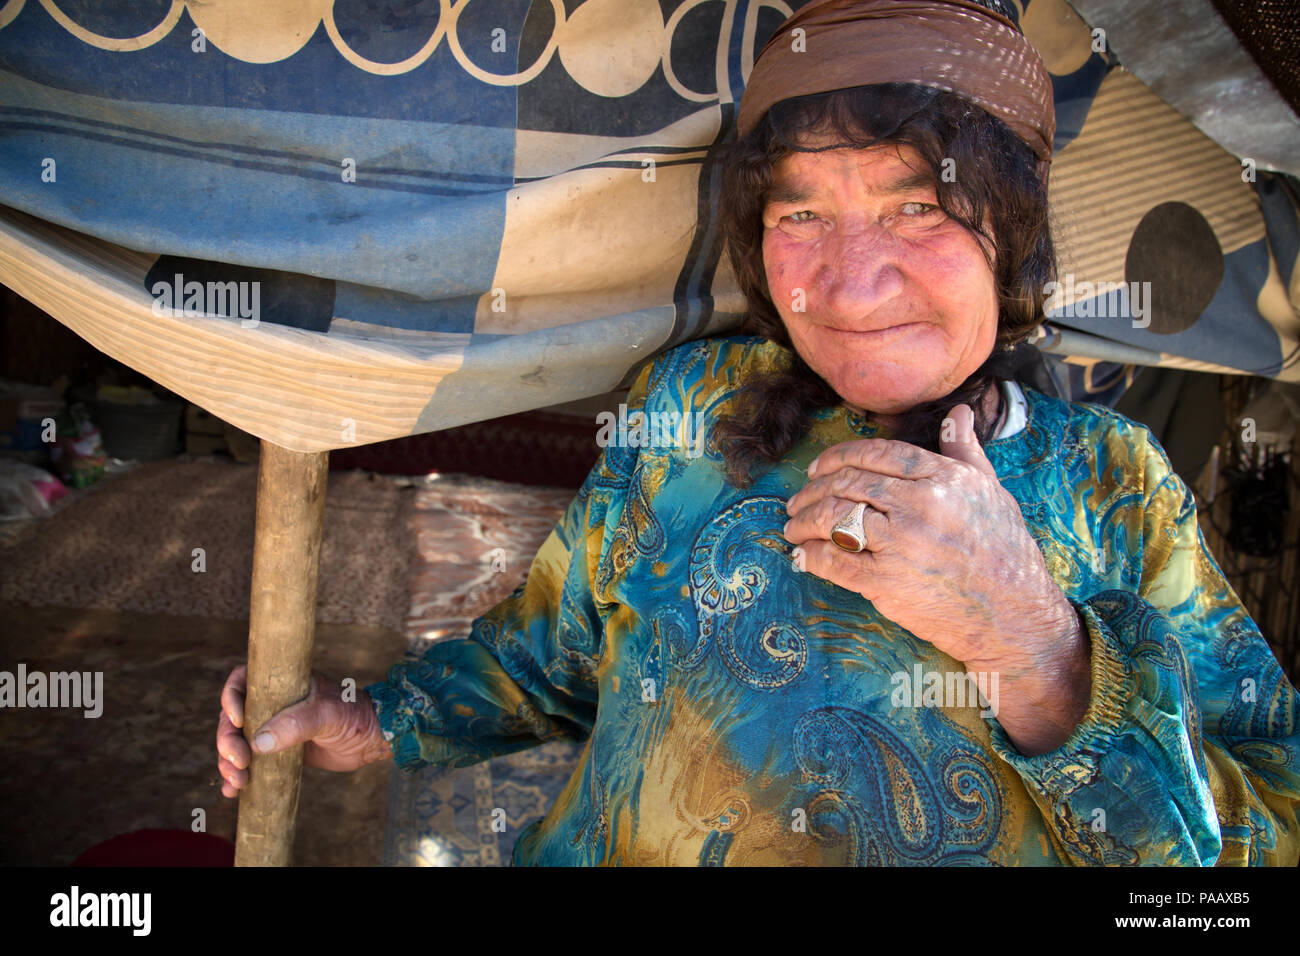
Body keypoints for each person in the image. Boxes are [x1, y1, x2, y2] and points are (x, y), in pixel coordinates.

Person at [216, 0, 1300, 865]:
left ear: (1012, 237)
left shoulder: (1115, 487)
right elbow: (548, 663)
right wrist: (371, 715)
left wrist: (1041, 651)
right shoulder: (690, 409)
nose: (853, 281)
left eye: (917, 205)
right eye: (799, 215)